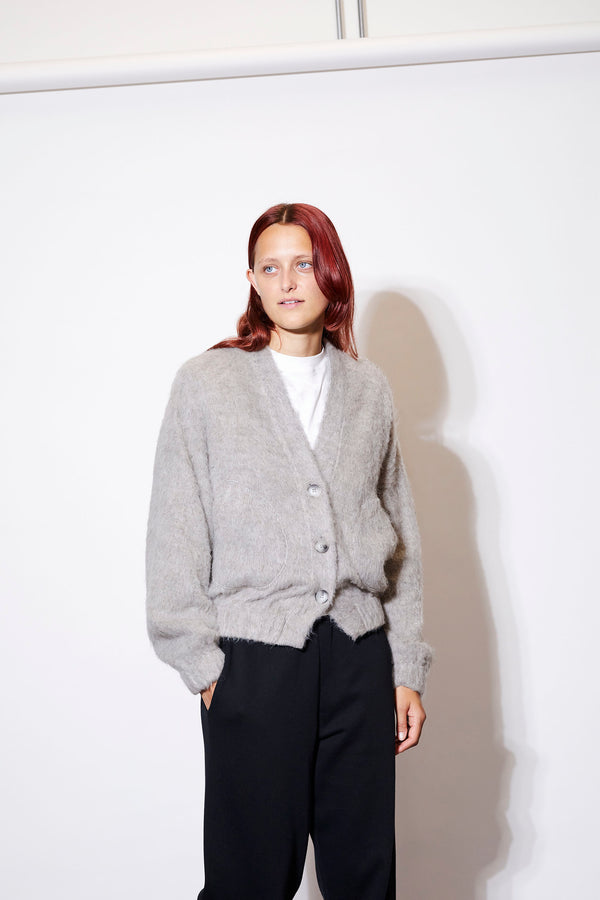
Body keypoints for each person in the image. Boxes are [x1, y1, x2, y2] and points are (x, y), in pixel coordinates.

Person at [145, 202, 433, 900]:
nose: (288, 281)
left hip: (360, 658)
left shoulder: (368, 390)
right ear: (251, 280)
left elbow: (400, 540)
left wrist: (405, 669)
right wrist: (203, 665)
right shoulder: (206, 384)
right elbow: (175, 528)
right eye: (269, 268)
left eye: (303, 263)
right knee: (248, 878)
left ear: (330, 272)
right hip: (254, 661)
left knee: (364, 876)